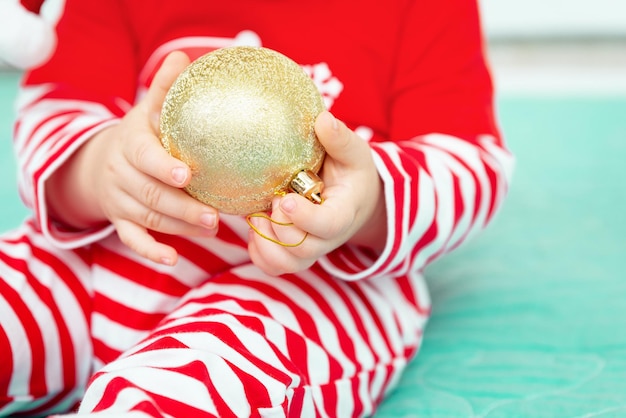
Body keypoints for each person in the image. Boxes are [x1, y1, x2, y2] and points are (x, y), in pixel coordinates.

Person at [0, 0, 514, 416]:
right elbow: (59, 104)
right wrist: (98, 169)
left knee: (197, 384)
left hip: (312, 285)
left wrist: (369, 201)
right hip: (95, 260)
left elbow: (470, 162)